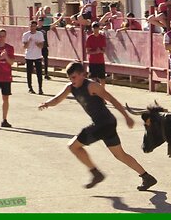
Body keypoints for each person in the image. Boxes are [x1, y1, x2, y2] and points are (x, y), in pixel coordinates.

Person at [38, 62, 157, 190]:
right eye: (69, 78)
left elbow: (112, 100)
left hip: (104, 124)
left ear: (82, 75)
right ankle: (147, 177)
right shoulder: (70, 87)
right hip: (106, 124)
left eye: (74, 77)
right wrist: (46, 103)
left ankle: (96, 173)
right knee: (120, 155)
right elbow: (57, 99)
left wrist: (126, 117)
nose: (72, 81)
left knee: (73, 146)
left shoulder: (93, 86)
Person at [22, 20, 45, 95]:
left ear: (36, 26)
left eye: (34, 26)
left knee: (39, 73)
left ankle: (40, 88)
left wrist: (37, 43)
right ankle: (30, 87)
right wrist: (28, 42)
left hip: (37, 55)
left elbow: (41, 46)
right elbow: (24, 47)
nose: (32, 28)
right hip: (29, 56)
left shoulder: (40, 34)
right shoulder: (26, 35)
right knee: (29, 72)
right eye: (31, 26)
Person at [86, 22, 107, 87]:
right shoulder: (90, 38)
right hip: (92, 61)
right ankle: (94, 91)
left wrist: (100, 51)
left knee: (102, 78)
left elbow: (104, 50)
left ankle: (102, 91)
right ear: (92, 28)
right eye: (94, 27)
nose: (95, 29)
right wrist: (95, 52)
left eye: (96, 27)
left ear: (99, 28)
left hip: (100, 61)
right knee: (93, 78)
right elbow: (88, 51)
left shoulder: (102, 37)